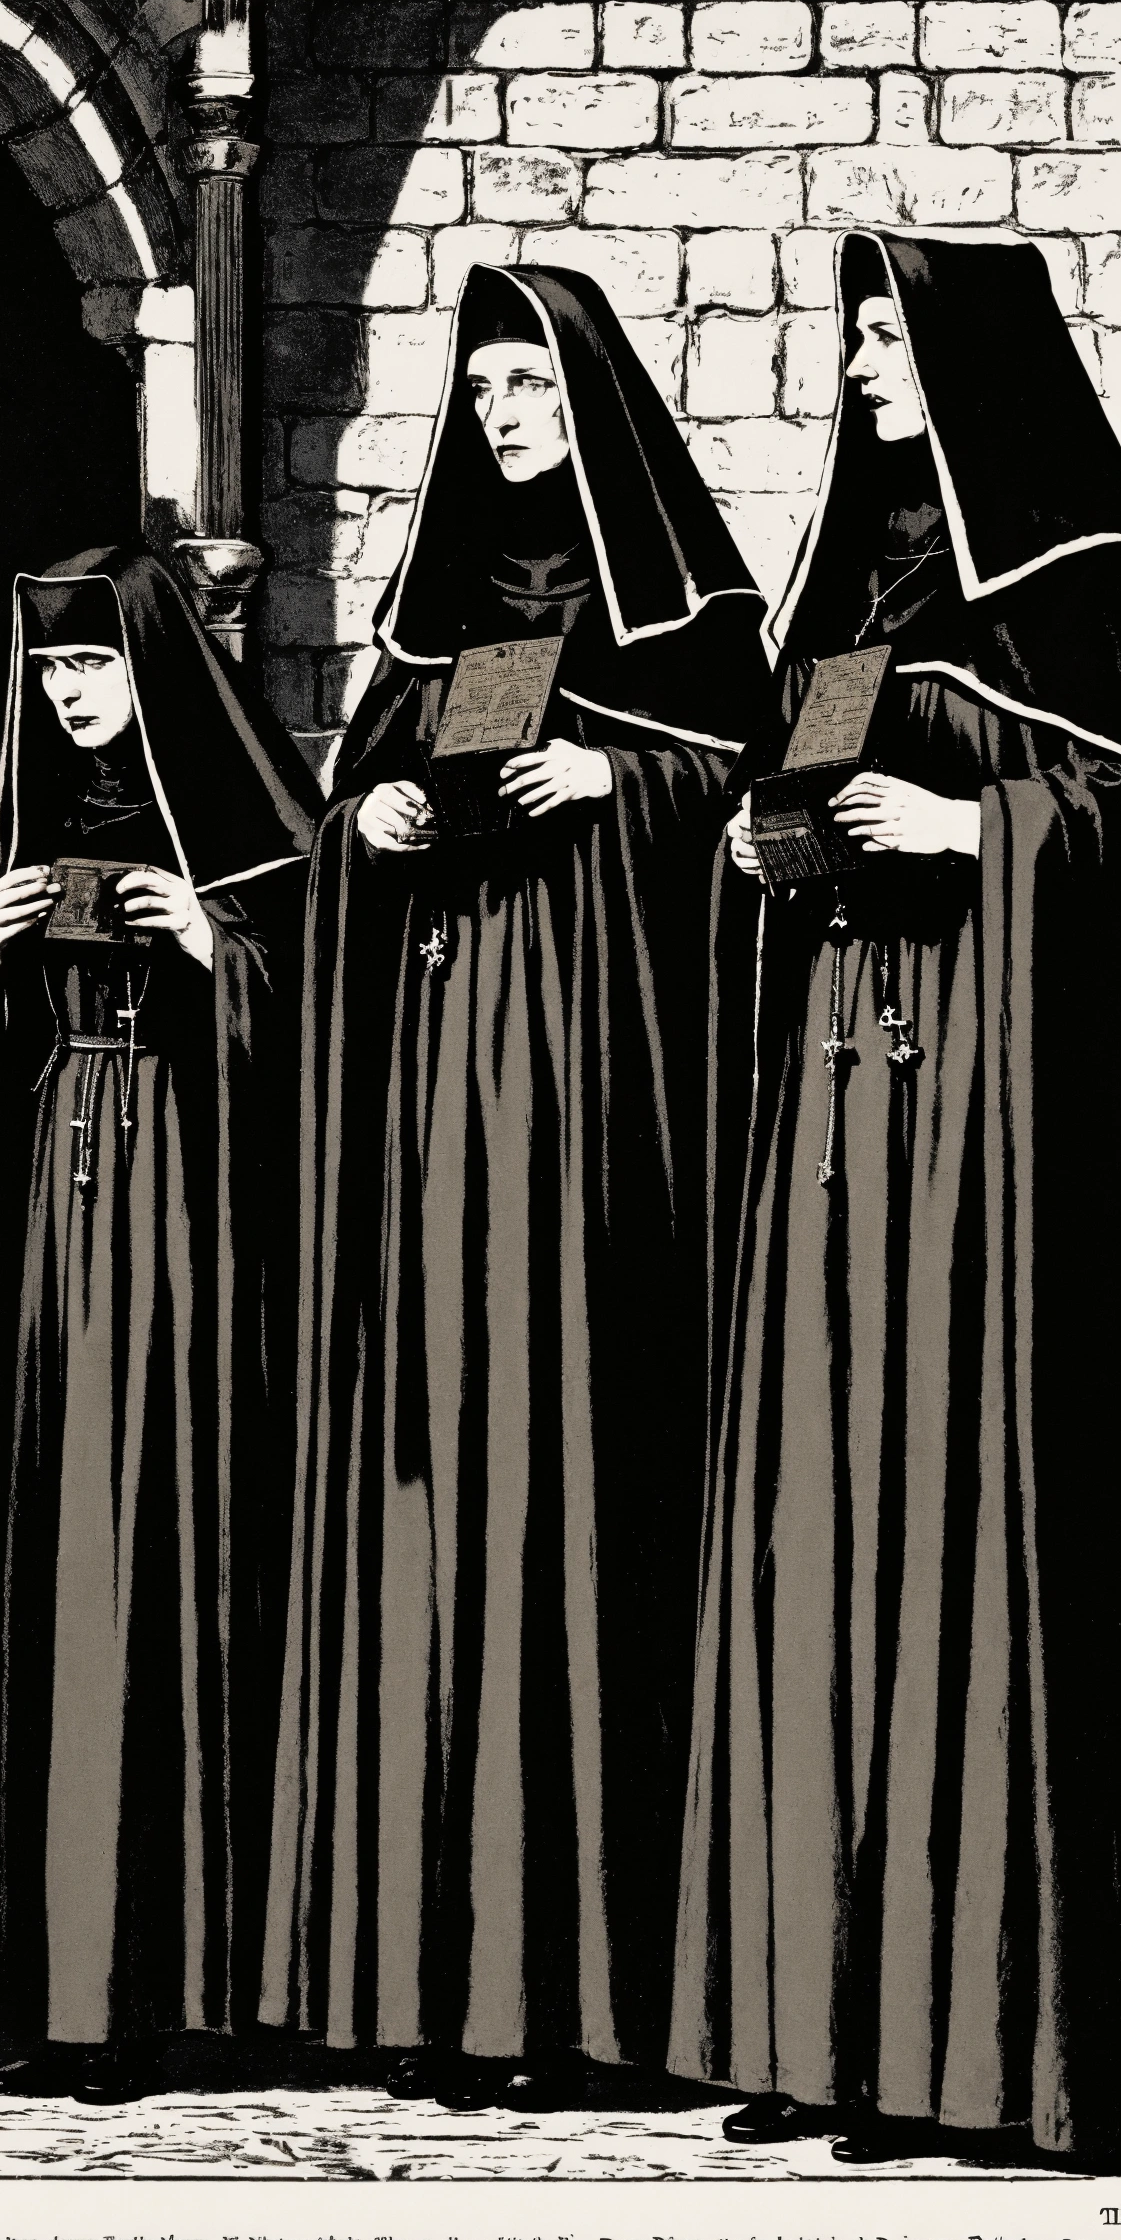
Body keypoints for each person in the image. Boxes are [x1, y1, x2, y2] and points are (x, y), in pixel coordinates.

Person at [669, 233, 1121, 2160]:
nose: (864, 365)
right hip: (838, 1118)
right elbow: (790, 792)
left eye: (891, 336)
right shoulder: (843, 596)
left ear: (975, 370)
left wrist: (980, 827)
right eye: (854, 336)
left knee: (969, 1524)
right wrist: (767, 845)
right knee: (824, 1533)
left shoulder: (1088, 581)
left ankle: (989, 2052)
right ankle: (829, 2033)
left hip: (998, 1137)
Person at [260, 264, 773, 2109]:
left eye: (532, 387)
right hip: (437, 1123)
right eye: (480, 392)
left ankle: (595, 2005)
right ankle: (431, 1981)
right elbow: (338, 827)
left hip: (601, 1126)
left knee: (590, 1485)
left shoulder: (695, 622)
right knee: (433, 1501)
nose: (501, 417)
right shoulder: (432, 628)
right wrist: (373, 824)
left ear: (593, 404)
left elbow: (751, 807)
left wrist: (613, 780)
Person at [0, 546, 322, 2103]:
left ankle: (167, 1993)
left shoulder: (244, 821)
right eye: (51, 674)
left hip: (185, 1227)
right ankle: (61, 1994)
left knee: (160, 1563)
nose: (72, 695)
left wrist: (213, 943)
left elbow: (324, 1020)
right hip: (57, 1216)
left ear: (152, 665)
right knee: (54, 1562)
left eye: (93, 665)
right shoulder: (30, 826)